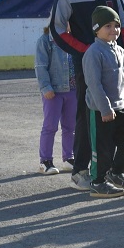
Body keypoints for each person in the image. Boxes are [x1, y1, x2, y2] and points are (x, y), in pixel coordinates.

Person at [51, 0, 124, 192]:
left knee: (120, 116)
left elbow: (123, 21)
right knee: (89, 116)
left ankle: (113, 172)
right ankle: (81, 171)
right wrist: (84, 51)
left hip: (114, 60)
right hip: (88, 62)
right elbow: (58, 29)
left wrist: (122, 49)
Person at [82, 6, 124, 198]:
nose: (114, 30)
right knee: (102, 149)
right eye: (108, 26)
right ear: (96, 29)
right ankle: (97, 182)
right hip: (100, 110)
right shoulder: (93, 52)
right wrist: (105, 108)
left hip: (121, 107)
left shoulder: (120, 50)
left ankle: (116, 172)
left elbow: (123, 82)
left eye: (116, 25)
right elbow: (94, 84)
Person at [34, 27, 76, 175]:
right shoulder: (46, 40)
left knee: (70, 127)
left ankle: (69, 158)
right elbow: (40, 66)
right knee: (50, 126)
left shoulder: (75, 37)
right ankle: (45, 161)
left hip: (73, 89)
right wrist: (45, 87)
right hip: (54, 91)